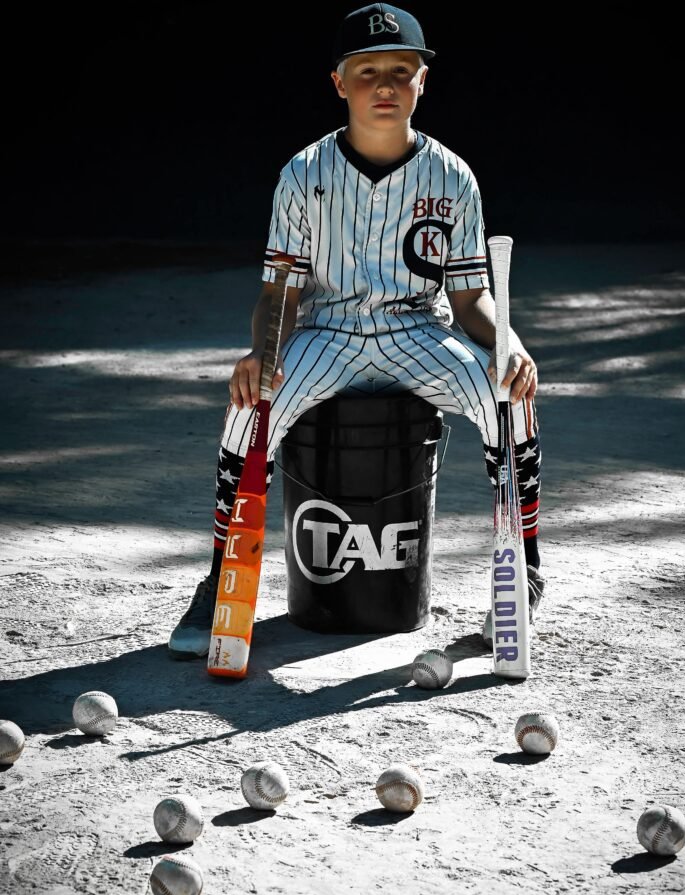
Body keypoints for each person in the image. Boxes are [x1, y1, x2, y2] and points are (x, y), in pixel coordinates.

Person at [168, 2, 544, 659]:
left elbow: (469, 297)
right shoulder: (303, 173)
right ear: (339, 82)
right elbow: (279, 291)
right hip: (328, 333)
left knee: (507, 394)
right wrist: (262, 353)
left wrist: (506, 343)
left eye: (401, 70)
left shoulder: (452, 176)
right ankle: (221, 578)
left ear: (423, 80)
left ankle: (524, 574)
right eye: (367, 71)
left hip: (417, 330)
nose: (385, 85)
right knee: (249, 406)